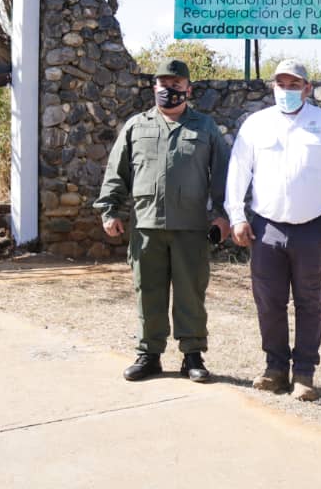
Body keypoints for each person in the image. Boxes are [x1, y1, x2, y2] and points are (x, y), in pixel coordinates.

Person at [225, 59, 321, 401]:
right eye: (281, 84)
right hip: (266, 227)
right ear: (273, 87)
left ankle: (304, 373)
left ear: (307, 88)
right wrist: (237, 216)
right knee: (268, 301)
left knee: (309, 302)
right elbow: (238, 171)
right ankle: (274, 369)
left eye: (294, 84)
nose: (286, 90)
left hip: (312, 227)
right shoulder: (256, 124)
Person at [94, 58, 230, 383]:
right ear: (154, 87)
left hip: (190, 227)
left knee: (190, 294)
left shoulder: (205, 127)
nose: (169, 90)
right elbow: (117, 172)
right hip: (146, 226)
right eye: (163, 84)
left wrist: (223, 215)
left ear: (188, 89)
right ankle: (149, 355)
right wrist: (109, 211)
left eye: (176, 84)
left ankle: (192, 355)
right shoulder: (136, 126)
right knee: (148, 292)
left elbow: (223, 174)